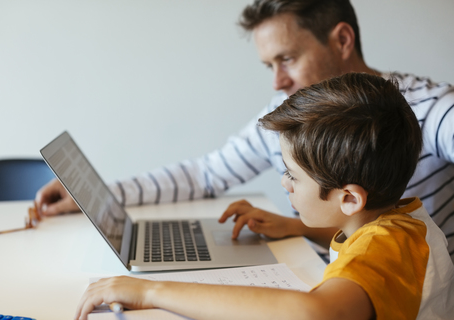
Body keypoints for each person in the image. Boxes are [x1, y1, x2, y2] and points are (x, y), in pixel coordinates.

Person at [35, 0, 454, 262]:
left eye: (286, 59)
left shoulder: (426, 108)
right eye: (268, 66)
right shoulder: (285, 115)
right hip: (318, 271)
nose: (277, 82)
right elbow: (204, 174)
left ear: (342, 40)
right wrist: (96, 195)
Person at [74, 73, 454, 320]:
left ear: (350, 198)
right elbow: (360, 245)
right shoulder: (393, 223)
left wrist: (150, 290)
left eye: (292, 175)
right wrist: (290, 226)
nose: (285, 184)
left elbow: (314, 313)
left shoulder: (389, 244)